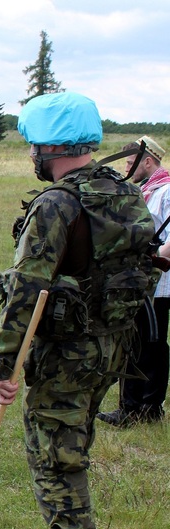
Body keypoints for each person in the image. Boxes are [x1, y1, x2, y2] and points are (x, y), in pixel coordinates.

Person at [0, 92, 158, 529]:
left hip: (67, 350)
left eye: (33, 147)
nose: (32, 158)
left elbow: (27, 285)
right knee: (74, 436)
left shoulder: (57, 204)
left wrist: (5, 358)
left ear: (50, 148)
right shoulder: (123, 192)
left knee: (53, 453)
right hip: (113, 344)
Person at [97, 136, 170, 427]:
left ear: (147, 161)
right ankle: (139, 407)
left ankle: (142, 408)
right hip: (146, 277)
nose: (127, 167)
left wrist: (154, 260)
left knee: (146, 342)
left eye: (130, 161)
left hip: (158, 280)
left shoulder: (165, 190)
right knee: (143, 341)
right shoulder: (150, 189)